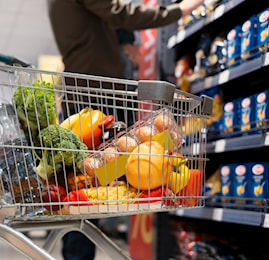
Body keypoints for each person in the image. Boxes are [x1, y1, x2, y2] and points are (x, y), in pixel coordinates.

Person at [47, 0, 205, 259]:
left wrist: (124, 42)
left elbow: (99, 19)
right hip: (95, 102)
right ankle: (77, 256)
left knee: (89, 189)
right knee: (90, 193)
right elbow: (121, 13)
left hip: (85, 96)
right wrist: (180, 10)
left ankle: (77, 254)